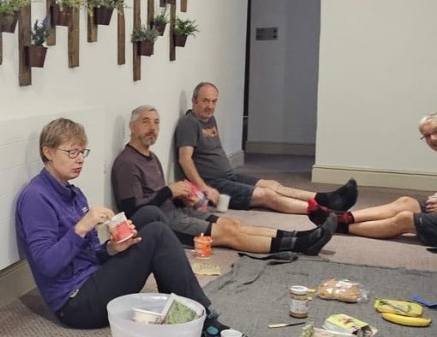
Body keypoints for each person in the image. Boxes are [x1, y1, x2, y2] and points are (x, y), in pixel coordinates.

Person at [15, 117, 257, 337]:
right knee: (157, 234)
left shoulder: (74, 194)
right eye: (71, 153)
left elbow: (90, 254)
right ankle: (204, 322)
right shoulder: (36, 197)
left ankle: (180, 307)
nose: (79, 159)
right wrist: (81, 227)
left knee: (150, 215)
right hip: (74, 303)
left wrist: (111, 249)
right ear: (48, 152)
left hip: (92, 277)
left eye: (82, 152)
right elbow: (46, 265)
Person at [112, 105, 336, 255]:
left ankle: (298, 236)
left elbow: (158, 197)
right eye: (146, 122)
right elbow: (133, 210)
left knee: (233, 224)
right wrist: (169, 191)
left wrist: (182, 197)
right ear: (132, 127)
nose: (153, 128)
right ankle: (299, 245)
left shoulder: (151, 157)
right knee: (229, 235)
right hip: (162, 224)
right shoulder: (127, 163)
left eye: (156, 123)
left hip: (176, 212)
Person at [308, 112, 437, 251]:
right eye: (427, 136)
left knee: (406, 218)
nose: (433, 139)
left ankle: (338, 226)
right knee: (406, 202)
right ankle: (341, 216)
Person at [174, 82, 358, 214]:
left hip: (228, 176)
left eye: (214, 101)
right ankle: (323, 212)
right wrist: (204, 188)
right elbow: (185, 159)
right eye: (205, 101)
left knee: (273, 185)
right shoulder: (189, 123)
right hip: (213, 183)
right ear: (194, 100)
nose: (210, 106)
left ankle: (325, 198)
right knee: (267, 195)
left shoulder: (209, 119)